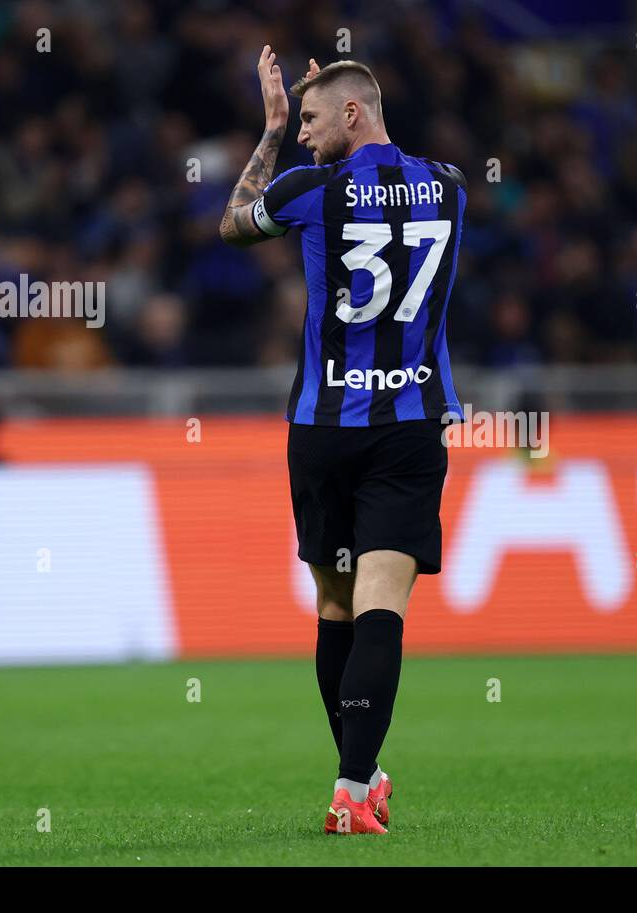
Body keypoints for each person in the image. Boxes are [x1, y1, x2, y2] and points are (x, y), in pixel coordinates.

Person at [219, 52, 466, 834]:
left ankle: (357, 783)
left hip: (324, 429)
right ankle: (356, 785)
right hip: (410, 425)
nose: (305, 137)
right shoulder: (453, 188)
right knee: (382, 605)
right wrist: (313, 107)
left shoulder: (306, 193)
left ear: (353, 113)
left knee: (335, 604)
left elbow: (233, 224)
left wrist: (268, 133)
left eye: (315, 121)